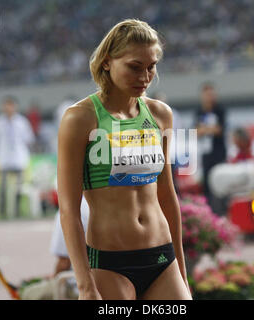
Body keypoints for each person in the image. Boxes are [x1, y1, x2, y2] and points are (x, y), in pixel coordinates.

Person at [57, 19, 191, 300]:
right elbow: (68, 208)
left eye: (151, 66)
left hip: (161, 258)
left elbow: (167, 194)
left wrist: (181, 270)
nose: (145, 76)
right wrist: (85, 285)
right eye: (134, 66)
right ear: (107, 62)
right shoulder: (79, 118)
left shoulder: (160, 115)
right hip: (110, 264)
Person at [0, 95, 35, 219]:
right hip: (3, 158)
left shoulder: (22, 122)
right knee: (2, 188)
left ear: (15, 106)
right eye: (6, 105)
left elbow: (29, 139)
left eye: (11, 105)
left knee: (19, 188)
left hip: (19, 158)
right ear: (3, 107)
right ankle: (2, 213)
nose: (9, 108)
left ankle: (17, 211)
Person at [195, 82, 226, 205]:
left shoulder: (220, 110)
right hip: (205, 153)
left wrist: (205, 129)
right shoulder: (199, 111)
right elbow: (196, 131)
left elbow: (219, 130)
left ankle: (221, 206)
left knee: (220, 181)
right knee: (206, 182)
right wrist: (209, 129)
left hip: (219, 152)